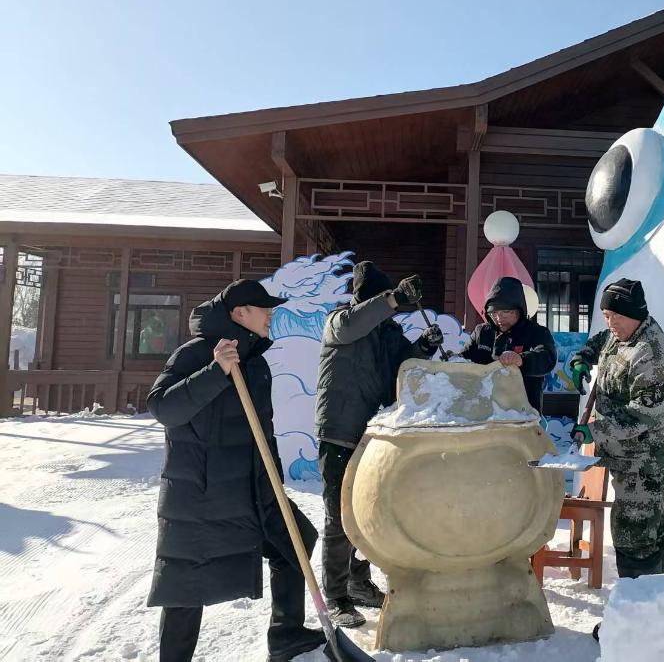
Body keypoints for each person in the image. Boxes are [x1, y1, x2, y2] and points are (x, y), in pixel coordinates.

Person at [146, 279, 324, 662]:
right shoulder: (196, 353)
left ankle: (287, 634)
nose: (271, 315)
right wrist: (216, 371)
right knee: (186, 582)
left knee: (296, 540)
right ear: (240, 313)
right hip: (203, 494)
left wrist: (274, 480)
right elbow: (163, 408)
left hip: (254, 488)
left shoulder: (256, 361)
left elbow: (261, 431)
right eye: (265, 309)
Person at [315, 262, 444, 628]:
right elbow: (354, 323)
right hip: (339, 430)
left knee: (365, 512)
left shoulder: (388, 332)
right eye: (383, 298)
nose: (390, 305)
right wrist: (393, 299)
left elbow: (402, 367)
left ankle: (358, 583)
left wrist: (424, 346)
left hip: (372, 434)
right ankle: (336, 596)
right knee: (339, 516)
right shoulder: (340, 321)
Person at [568, 278, 664, 641]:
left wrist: (593, 432)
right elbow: (601, 341)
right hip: (626, 455)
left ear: (635, 314)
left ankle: (637, 625)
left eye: (615, 315)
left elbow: (641, 416)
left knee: (633, 534)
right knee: (653, 529)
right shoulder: (623, 333)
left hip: (646, 458)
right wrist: (581, 359)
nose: (610, 322)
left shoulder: (652, 354)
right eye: (605, 315)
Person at [459, 276, 557, 414]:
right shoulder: (481, 332)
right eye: (494, 313)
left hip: (523, 414)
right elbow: (461, 361)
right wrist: (433, 347)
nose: (499, 318)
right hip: (481, 411)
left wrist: (521, 359)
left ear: (519, 310)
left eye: (506, 312)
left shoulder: (536, 332)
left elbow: (547, 358)